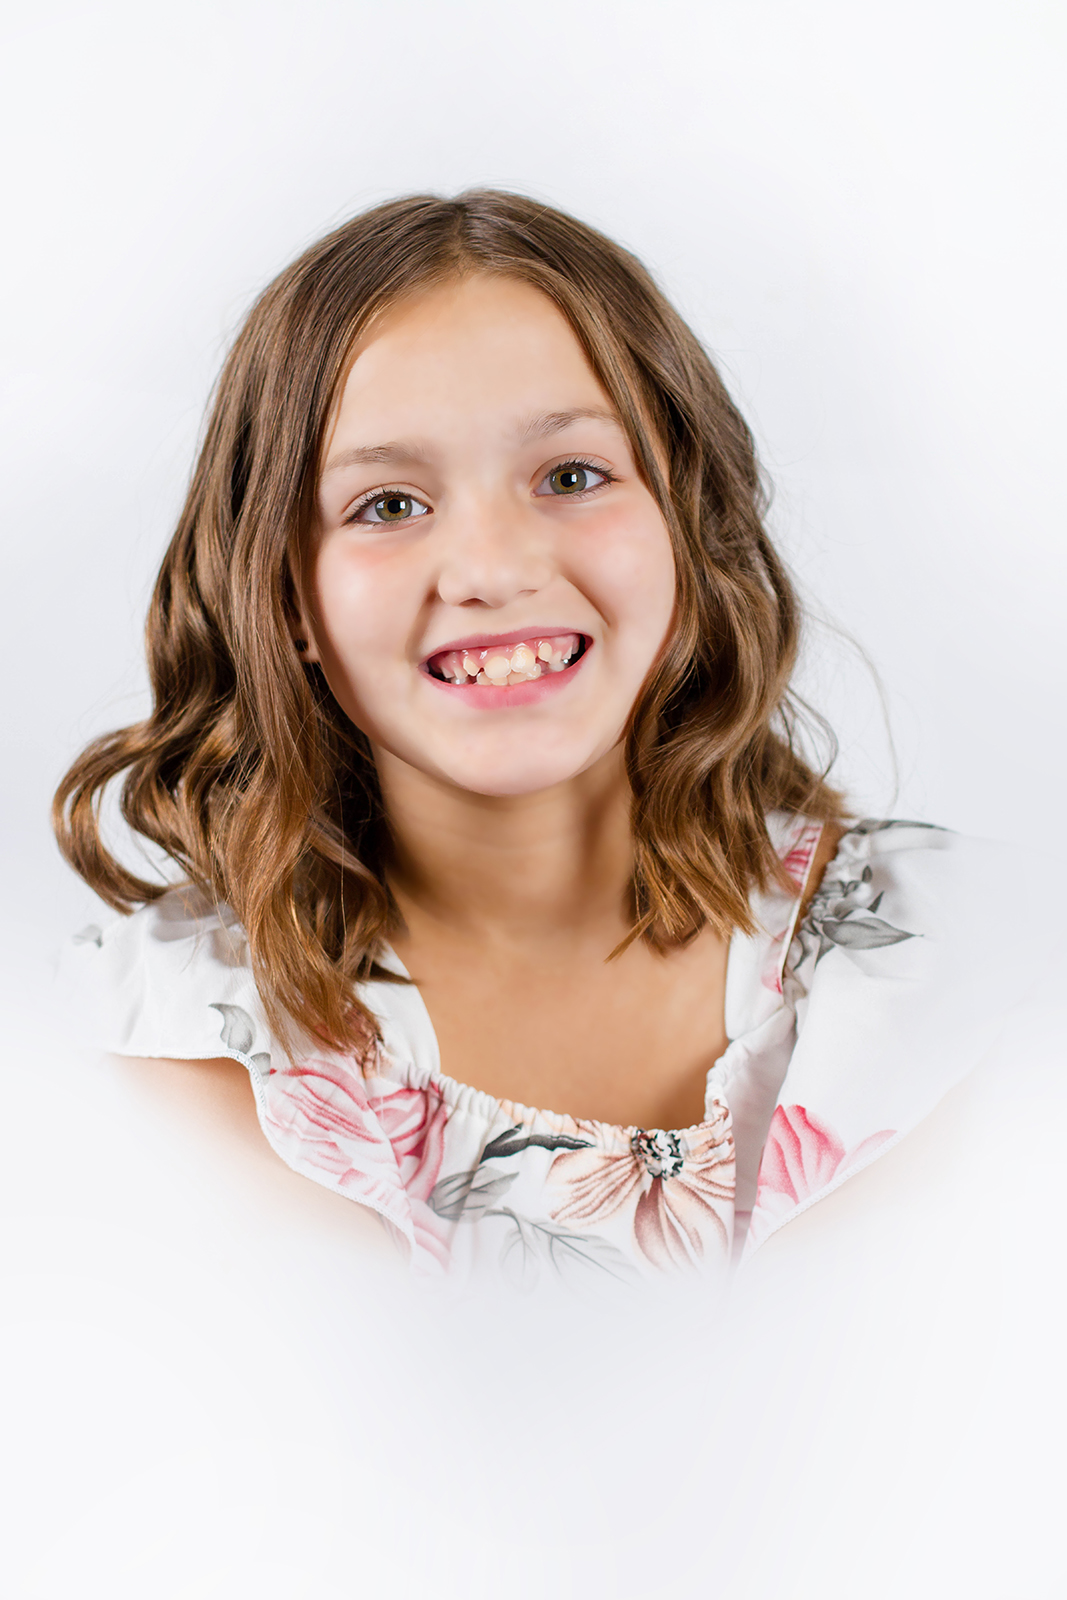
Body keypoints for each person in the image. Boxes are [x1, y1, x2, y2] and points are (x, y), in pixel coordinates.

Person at [52, 191, 1044, 1291]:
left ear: (684, 520)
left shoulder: (985, 962)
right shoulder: (157, 1048)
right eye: (386, 503)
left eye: (571, 476)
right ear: (285, 593)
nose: (492, 568)